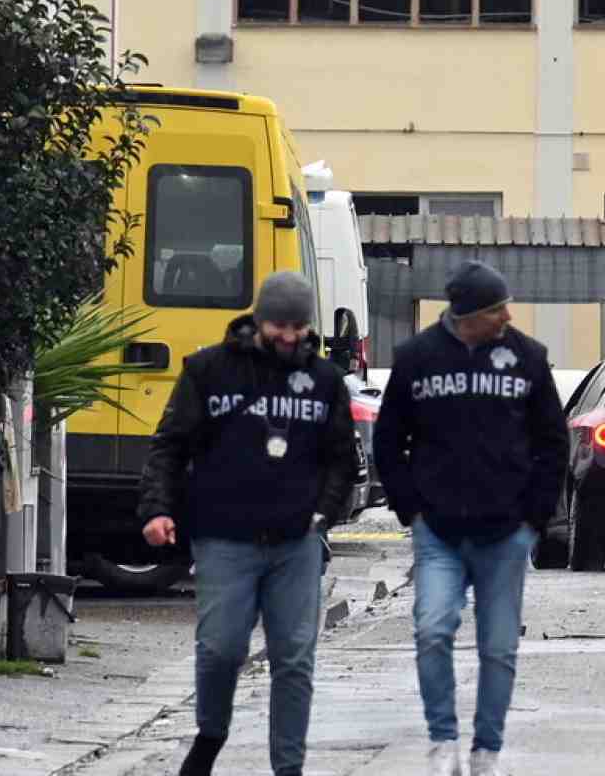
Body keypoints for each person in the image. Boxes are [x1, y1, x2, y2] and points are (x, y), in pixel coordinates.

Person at [137, 271, 358, 776]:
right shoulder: (210, 371)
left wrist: (323, 511)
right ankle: (210, 735)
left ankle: (288, 767)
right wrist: (157, 509)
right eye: (279, 324)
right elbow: (170, 445)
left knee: (294, 658)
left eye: (298, 327)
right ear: (258, 320)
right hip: (223, 537)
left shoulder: (324, 382)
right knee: (221, 649)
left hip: (296, 541)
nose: (288, 336)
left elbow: (342, 459)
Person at [375, 261, 567, 776]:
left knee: (498, 647)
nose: (507, 315)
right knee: (432, 630)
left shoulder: (527, 358)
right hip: (437, 530)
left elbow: (553, 442)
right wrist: (409, 509)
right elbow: (389, 441)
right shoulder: (417, 359)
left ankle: (487, 752)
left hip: (506, 531)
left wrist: (535, 517)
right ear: (465, 315)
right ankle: (443, 741)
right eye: (495, 309)